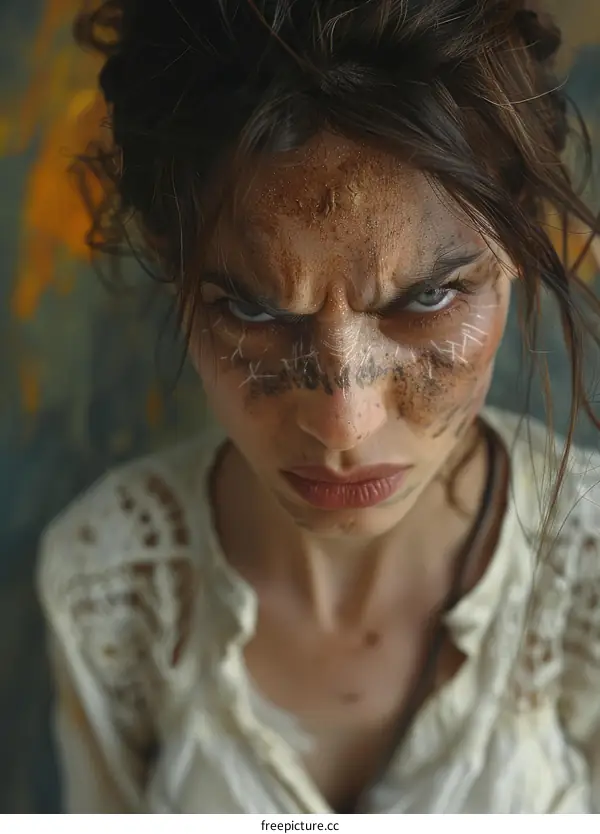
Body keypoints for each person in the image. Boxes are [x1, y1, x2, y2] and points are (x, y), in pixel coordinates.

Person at [37, 0, 600, 814]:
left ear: (517, 244)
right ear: (174, 260)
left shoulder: (584, 571)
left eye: (430, 296)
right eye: (257, 313)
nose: (345, 423)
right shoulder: (109, 584)